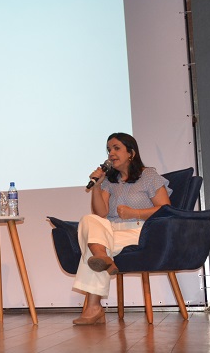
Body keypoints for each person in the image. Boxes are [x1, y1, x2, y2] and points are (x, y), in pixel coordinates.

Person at [72, 133, 172, 325]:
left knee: (94, 244)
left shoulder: (148, 175)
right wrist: (97, 187)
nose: (111, 153)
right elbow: (100, 213)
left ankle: (94, 305)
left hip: (140, 231)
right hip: (111, 230)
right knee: (89, 220)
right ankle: (102, 256)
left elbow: (166, 209)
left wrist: (136, 212)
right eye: (109, 149)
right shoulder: (110, 181)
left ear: (131, 153)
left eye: (116, 148)